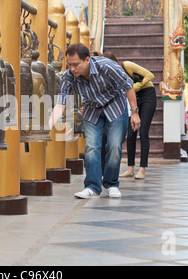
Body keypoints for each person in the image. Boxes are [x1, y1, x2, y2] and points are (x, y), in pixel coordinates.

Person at [49, 43, 140, 198]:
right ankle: (92, 187)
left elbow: (128, 85)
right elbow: (61, 103)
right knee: (92, 147)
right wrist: (48, 125)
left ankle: (111, 184)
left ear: (87, 60)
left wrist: (135, 112)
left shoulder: (107, 66)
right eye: (69, 65)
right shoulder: (68, 76)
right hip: (92, 109)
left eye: (76, 64)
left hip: (115, 106)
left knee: (114, 146)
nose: (72, 69)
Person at [103, 52, 157, 180]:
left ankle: (142, 169)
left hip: (147, 95)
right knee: (131, 133)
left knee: (143, 131)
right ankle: (130, 168)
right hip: (133, 99)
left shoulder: (127, 65)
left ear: (115, 62)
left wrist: (134, 87)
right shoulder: (113, 76)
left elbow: (150, 75)